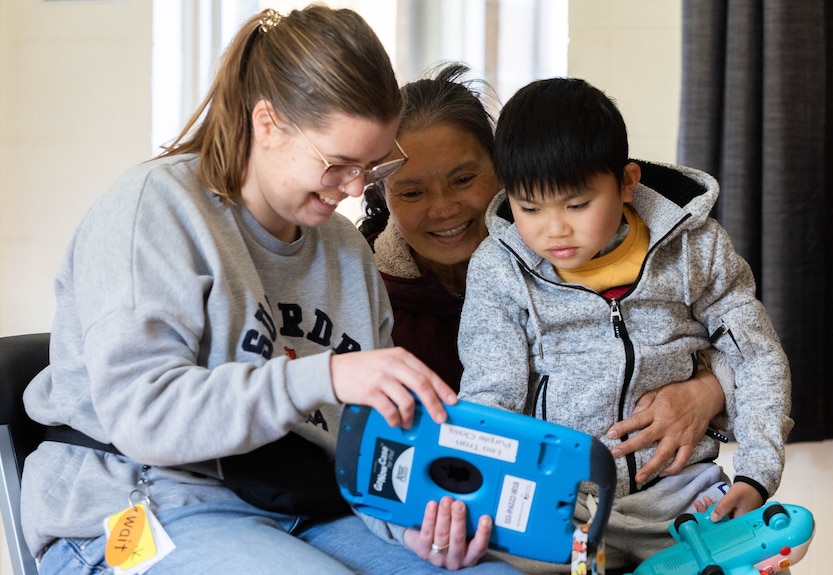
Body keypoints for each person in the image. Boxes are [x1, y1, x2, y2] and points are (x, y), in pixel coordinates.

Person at [20, 8, 521, 575]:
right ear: (268, 123)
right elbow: (146, 416)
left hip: (302, 506)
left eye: (373, 166)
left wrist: (414, 530)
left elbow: (369, 447)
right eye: (338, 164)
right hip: (140, 508)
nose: (356, 190)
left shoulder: (345, 252)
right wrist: (324, 375)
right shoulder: (155, 208)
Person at [457, 77, 794, 572]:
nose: (554, 230)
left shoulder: (694, 250)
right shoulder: (499, 268)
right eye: (530, 208)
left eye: (576, 205)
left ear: (627, 182)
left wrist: (757, 474)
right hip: (568, 498)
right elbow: (490, 395)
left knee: (770, 556)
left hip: (681, 489)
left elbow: (756, 353)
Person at [361, 62, 732, 487]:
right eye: (411, 192)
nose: (444, 207)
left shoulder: (608, 250)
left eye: (463, 179)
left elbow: (741, 342)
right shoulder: (369, 296)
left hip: (644, 493)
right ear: (381, 193)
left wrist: (707, 390)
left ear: (507, 171)